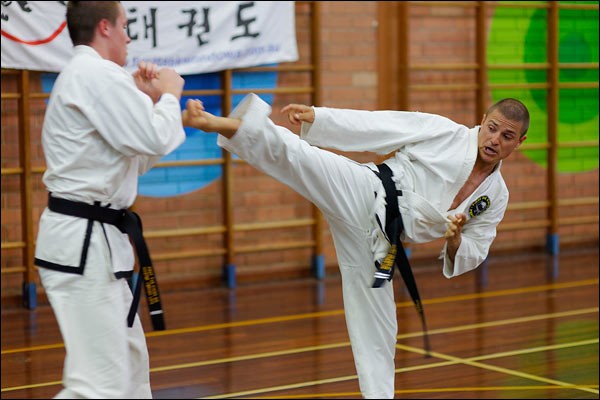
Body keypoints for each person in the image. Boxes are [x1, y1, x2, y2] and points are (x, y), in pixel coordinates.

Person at [182, 93, 528, 399]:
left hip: (384, 243)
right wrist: (320, 118)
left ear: (519, 142)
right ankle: (218, 122)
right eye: (492, 128)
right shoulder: (445, 132)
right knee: (300, 157)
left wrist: (455, 239)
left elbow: (476, 247)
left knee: (379, 326)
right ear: (482, 121)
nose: (495, 139)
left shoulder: (496, 196)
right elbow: (380, 126)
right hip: (368, 192)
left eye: (507, 136)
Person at [34, 1, 186, 398]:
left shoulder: (99, 77)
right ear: (104, 27)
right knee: (97, 385)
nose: (129, 35)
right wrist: (170, 94)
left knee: (131, 371)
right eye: (124, 25)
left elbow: (138, 157)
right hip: (84, 247)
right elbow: (153, 137)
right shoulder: (95, 75)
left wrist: (156, 103)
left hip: (98, 245)